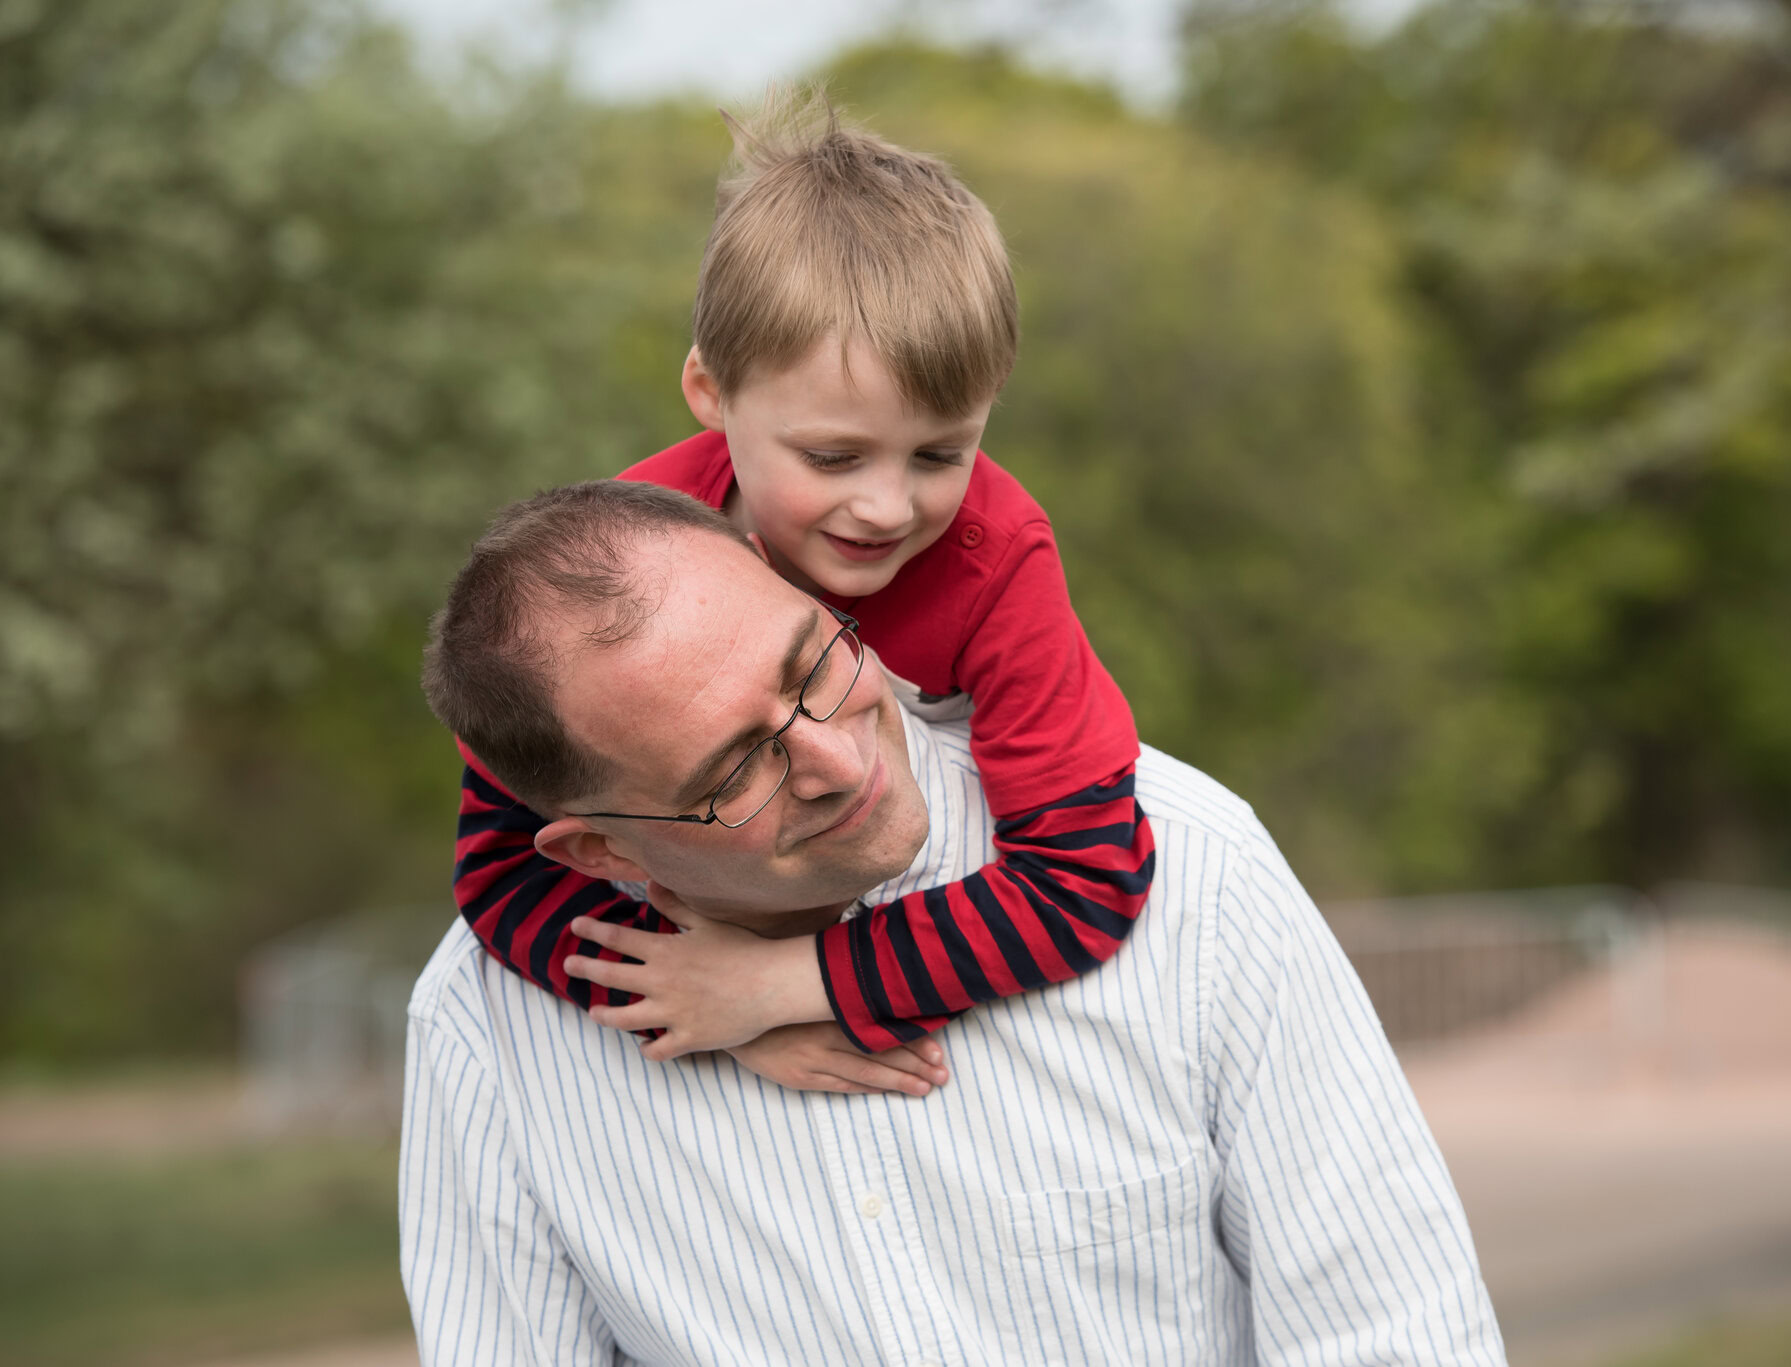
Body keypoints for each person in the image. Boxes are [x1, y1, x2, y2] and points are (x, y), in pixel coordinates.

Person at [405, 481, 1508, 1366]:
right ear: (602, 852)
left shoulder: (1188, 865)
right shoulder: (486, 1027)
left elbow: (1392, 1333)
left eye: (814, 664)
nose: (837, 759)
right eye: (737, 768)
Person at [448, 94, 1154, 1090]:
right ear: (710, 392)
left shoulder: (996, 555)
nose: (887, 506)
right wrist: (708, 1006)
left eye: (940, 452)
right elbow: (502, 869)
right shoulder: (615, 579)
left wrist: (792, 981)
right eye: (832, 454)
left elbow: (1084, 876)